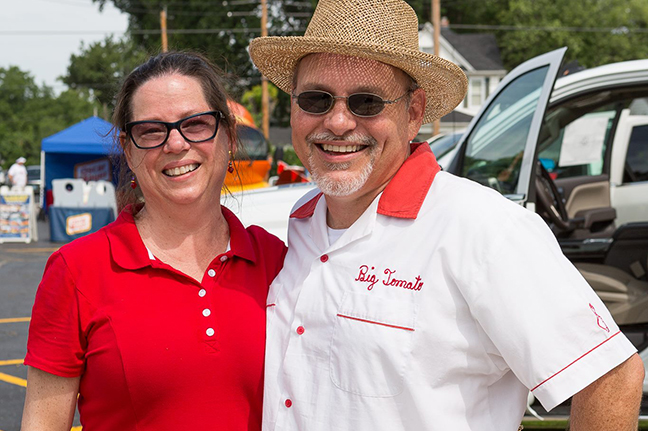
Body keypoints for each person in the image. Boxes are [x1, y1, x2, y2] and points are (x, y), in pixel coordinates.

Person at [248, 0, 644, 429]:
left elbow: (610, 376)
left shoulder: (481, 227)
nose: (339, 121)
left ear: (414, 112)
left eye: (366, 102)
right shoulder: (302, 222)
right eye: (316, 98)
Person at [21, 51, 287, 431]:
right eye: (151, 130)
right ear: (128, 152)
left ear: (227, 136)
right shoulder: (76, 270)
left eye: (195, 124)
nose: (176, 144)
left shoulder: (277, 259)